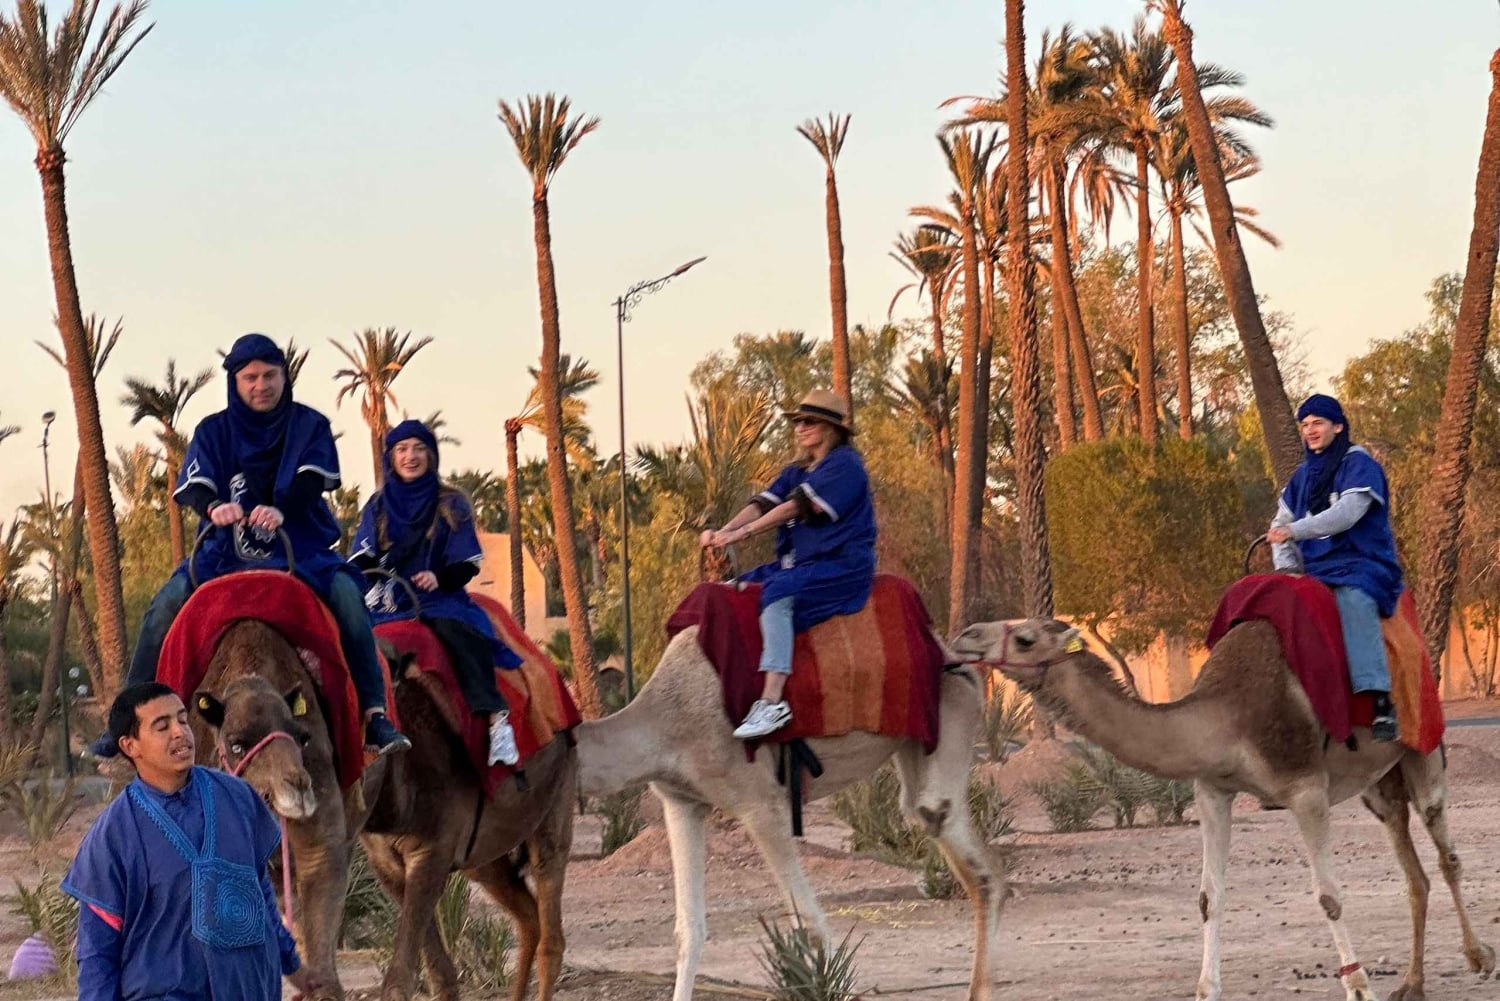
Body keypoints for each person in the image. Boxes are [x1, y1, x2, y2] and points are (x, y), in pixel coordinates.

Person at [95, 333, 408, 757]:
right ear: (236, 382)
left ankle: (375, 715)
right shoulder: (213, 431)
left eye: (269, 375)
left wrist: (282, 509)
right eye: (251, 378)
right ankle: (125, 721)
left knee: (349, 599)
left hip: (301, 552)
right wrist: (214, 508)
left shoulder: (310, 426)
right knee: (164, 606)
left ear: (283, 377)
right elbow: (196, 487)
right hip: (224, 555)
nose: (261, 385)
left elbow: (312, 480)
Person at [64, 682, 317, 1001]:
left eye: (182, 720)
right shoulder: (113, 835)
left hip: (253, 989)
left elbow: (260, 894)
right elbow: (97, 949)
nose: (180, 732)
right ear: (130, 745)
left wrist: (294, 968)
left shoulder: (238, 798)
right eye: (162, 726)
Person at [699, 389, 877, 739]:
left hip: (841, 566)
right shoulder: (796, 471)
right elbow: (763, 505)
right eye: (797, 421)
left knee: (777, 594)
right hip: (798, 565)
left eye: (809, 421)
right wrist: (723, 533)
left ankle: (772, 701)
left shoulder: (845, 466)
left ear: (831, 428)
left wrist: (741, 534)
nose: (800, 427)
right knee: (730, 591)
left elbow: (795, 507)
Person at [351, 420, 522, 767]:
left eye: (418, 449)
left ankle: (496, 722)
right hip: (388, 600)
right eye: (402, 449)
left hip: (437, 598)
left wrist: (438, 577)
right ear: (391, 457)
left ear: (431, 455)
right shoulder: (378, 506)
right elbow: (362, 559)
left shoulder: (451, 503)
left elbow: (466, 564)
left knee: (460, 636)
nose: (410, 457)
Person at [1268, 393, 1402, 741]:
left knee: (1353, 599)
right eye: (1305, 425)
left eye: (1318, 423)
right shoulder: (1302, 477)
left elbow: (1346, 515)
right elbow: (1280, 525)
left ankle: (1380, 699)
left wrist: (1295, 531)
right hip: (1315, 568)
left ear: (1338, 426)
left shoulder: (1359, 465)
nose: (1310, 431)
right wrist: (1287, 570)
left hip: (1361, 563)